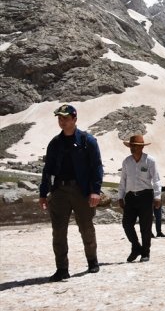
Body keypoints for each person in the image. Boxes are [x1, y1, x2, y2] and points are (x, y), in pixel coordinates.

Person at [39, 104, 104, 281]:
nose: (62, 121)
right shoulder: (54, 143)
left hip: (81, 191)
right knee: (58, 231)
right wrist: (43, 193)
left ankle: (92, 261)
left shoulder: (87, 141)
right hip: (59, 191)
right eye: (60, 118)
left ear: (74, 119)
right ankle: (62, 269)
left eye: (65, 118)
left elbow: (96, 167)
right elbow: (48, 170)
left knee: (86, 228)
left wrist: (95, 191)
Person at [118, 134, 162, 263]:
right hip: (131, 196)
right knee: (126, 224)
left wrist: (157, 197)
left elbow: (156, 179)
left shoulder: (150, 161)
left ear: (141, 147)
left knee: (145, 226)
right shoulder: (127, 161)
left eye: (135, 146)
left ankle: (145, 252)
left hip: (146, 196)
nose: (132, 148)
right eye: (131, 146)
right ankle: (136, 247)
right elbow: (123, 180)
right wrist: (120, 196)